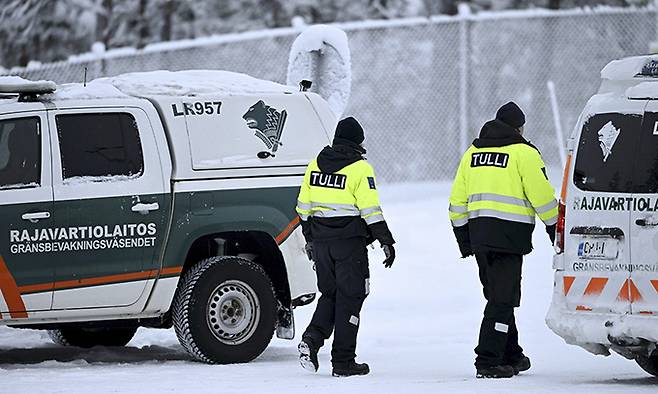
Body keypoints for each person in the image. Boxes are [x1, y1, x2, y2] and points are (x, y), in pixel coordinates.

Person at [448, 102, 557, 379]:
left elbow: (457, 202)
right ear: (519, 128)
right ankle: (488, 360)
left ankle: (512, 355)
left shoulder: (472, 153)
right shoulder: (524, 153)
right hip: (509, 237)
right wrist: (555, 228)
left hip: (480, 238)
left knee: (498, 296)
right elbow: (542, 197)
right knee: (502, 299)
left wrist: (464, 239)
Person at [295, 116, 396, 377]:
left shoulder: (315, 164)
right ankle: (343, 361)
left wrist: (311, 240)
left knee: (331, 295)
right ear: (357, 142)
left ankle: (312, 339)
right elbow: (370, 209)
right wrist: (385, 240)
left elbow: (302, 208)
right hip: (349, 245)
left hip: (321, 244)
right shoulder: (360, 169)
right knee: (351, 297)